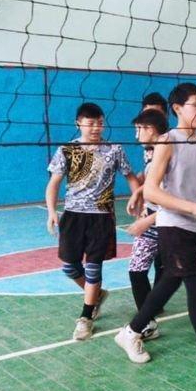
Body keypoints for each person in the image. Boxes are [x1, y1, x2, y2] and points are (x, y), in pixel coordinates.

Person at [115, 82, 196, 384]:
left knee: (170, 282)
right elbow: (151, 190)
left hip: (192, 226)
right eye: (195, 106)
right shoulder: (167, 142)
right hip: (172, 225)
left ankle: (131, 332)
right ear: (177, 108)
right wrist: (193, 207)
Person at [46, 102, 139, 340]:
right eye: (91, 123)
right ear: (78, 123)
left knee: (94, 266)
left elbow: (130, 177)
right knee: (69, 267)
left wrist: (137, 199)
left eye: (100, 122)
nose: (96, 127)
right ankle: (97, 294)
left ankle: (86, 317)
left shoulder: (114, 149)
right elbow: (54, 183)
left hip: (102, 216)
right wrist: (52, 211)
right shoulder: (67, 149)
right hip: (73, 215)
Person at [127, 108, 168, 337]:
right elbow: (153, 185)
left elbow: (174, 201)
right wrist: (139, 194)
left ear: (151, 129)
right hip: (152, 220)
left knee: (192, 271)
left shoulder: (169, 156)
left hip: (171, 224)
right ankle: (146, 323)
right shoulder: (152, 155)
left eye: (139, 129)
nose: (137, 135)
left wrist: (147, 221)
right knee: (136, 270)